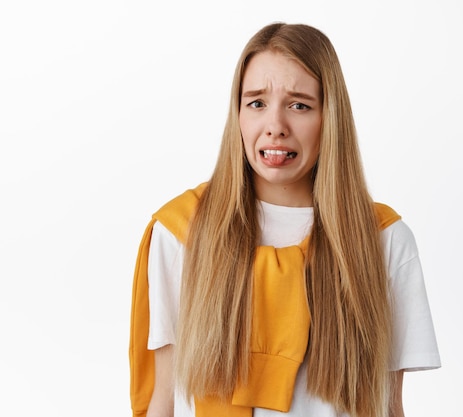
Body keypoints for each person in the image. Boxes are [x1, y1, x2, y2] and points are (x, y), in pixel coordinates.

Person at [129, 22, 440, 417]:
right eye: (256, 103)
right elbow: (164, 401)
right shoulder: (181, 232)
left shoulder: (383, 240)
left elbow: (389, 406)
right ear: (237, 114)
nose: (275, 125)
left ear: (330, 117)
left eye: (299, 105)